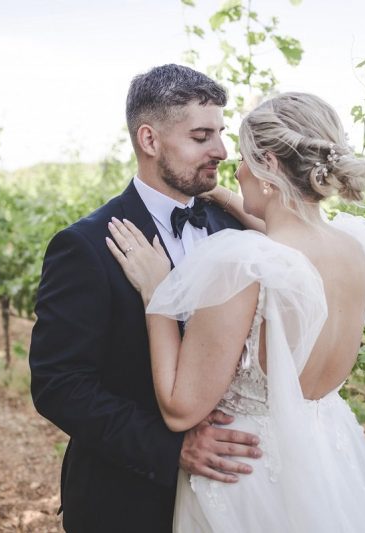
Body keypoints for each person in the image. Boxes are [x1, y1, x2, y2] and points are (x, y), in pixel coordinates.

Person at [106, 92, 365, 532]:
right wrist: (219, 193)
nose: (234, 170)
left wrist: (157, 293)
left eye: (242, 159)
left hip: (249, 478)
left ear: (270, 166)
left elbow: (181, 410)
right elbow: (286, 230)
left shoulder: (243, 263)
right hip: (333, 467)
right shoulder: (357, 248)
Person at [28, 64, 262, 533]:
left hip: (236, 497)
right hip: (127, 499)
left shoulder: (236, 229)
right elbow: (58, 385)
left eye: (220, 133)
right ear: (150, 141)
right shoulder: (86, 246)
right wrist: (172, 449)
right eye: (201, 136)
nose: (220, 151)